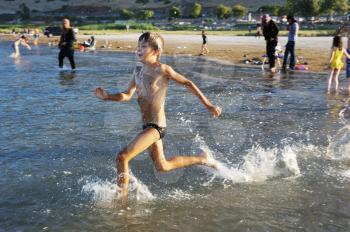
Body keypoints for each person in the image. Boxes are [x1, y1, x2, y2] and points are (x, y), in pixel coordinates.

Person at [94, 32, 222, 199]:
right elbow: (126, 94)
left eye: (143, 46)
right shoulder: (138, 69)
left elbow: (188, 83)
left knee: (122, 156)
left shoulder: (162, 69)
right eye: (138, 46)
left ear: (156, 51)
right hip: (147, 126)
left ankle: (121, 199)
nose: (139, 49)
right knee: (163, 166)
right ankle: (203, 159)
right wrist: (108, 97)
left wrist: (209, 105)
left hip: (156, 126)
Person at [335, 22, 350, 94]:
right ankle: (348, 87)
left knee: (349, 68)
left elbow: (338, 33)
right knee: (348, 68)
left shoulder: (348, 28)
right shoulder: (348, 28)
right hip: (349, 51)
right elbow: (338, 32)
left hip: (349, 50)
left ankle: (348, 87)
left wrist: (343, 26)